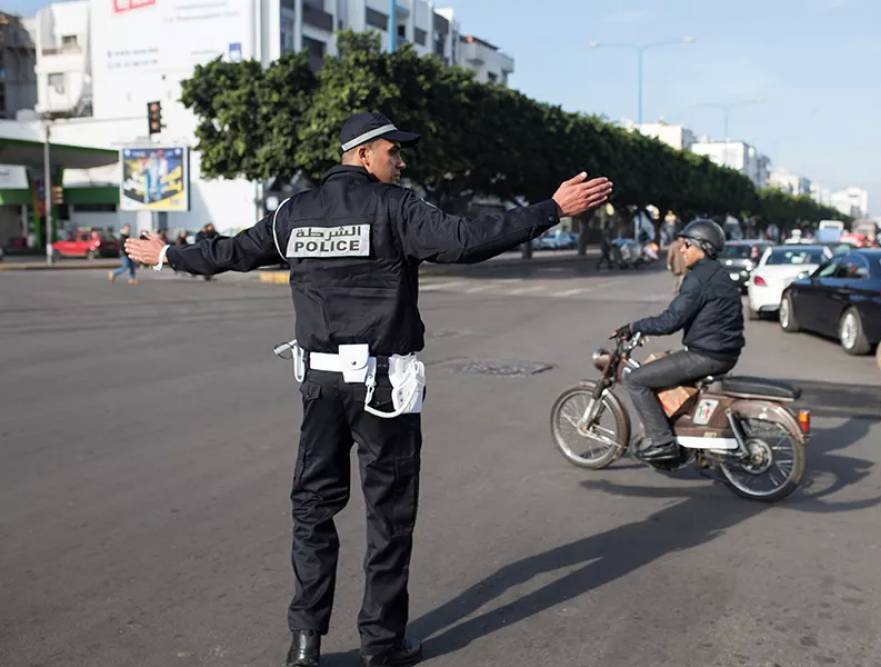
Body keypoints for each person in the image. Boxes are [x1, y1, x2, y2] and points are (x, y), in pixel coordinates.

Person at [124, 110, 613, 667]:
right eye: (392, 152)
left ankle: (305, 645)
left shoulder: (293, 213)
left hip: (321, 387)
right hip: (384, 389)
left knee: (312, 510)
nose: (400, 161)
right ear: (361, 154)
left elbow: (229, 253)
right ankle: (381, 645)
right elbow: (468, 241)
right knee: (389, 515)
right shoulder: (397, 208)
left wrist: (165, 254)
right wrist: (551, 208)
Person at [613, 219, 745, 463]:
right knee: (666, 365)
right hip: (725, 352)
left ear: (701, 247)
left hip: (706, 356)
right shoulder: (718, 273)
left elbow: (670, 321)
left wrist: (635, 326)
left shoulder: (697, 279)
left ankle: (663, 443)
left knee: (636, 380)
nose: (681, 249)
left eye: (685, 245)